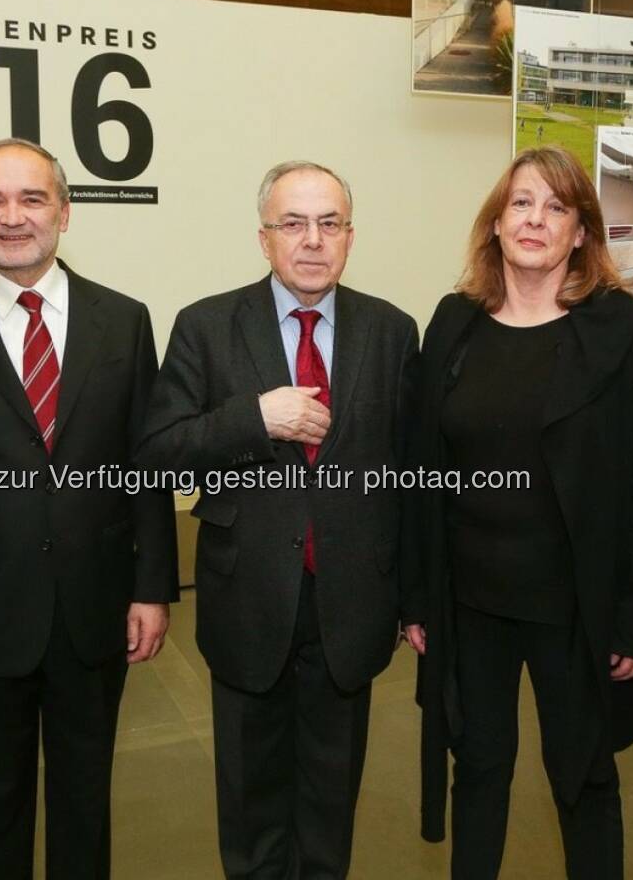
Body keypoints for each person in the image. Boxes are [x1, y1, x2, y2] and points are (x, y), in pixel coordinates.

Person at [137, 161, 418, 878]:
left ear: (351, 237)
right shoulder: (206, 326)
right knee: (252, 806)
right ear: (264, 238)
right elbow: (161, 454)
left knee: (331, 806)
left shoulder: (391, 330)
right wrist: (253, 418)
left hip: (351, 603)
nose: (313, 240)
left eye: (330, 223)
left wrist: (415, 599)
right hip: (248, 600)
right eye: (293, 223)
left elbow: (413, 479)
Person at [0, 138, 178, 879]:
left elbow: (146, 463)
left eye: (31, 198)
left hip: (94, 613)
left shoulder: (124, 322)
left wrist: (151, 586)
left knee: (84, 799)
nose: (12, 217)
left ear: (64, 211)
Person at [405, 146, 633, 879]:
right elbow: (423, 469)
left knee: (582, 778)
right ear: (496, 220)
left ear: (581, 232)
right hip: (470, 601)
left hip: (576, 606)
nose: (535, 220)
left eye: (556, 207)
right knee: (478, 770)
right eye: (521, 202)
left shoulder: (618, 330)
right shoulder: (454, 323)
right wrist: (418, 597)